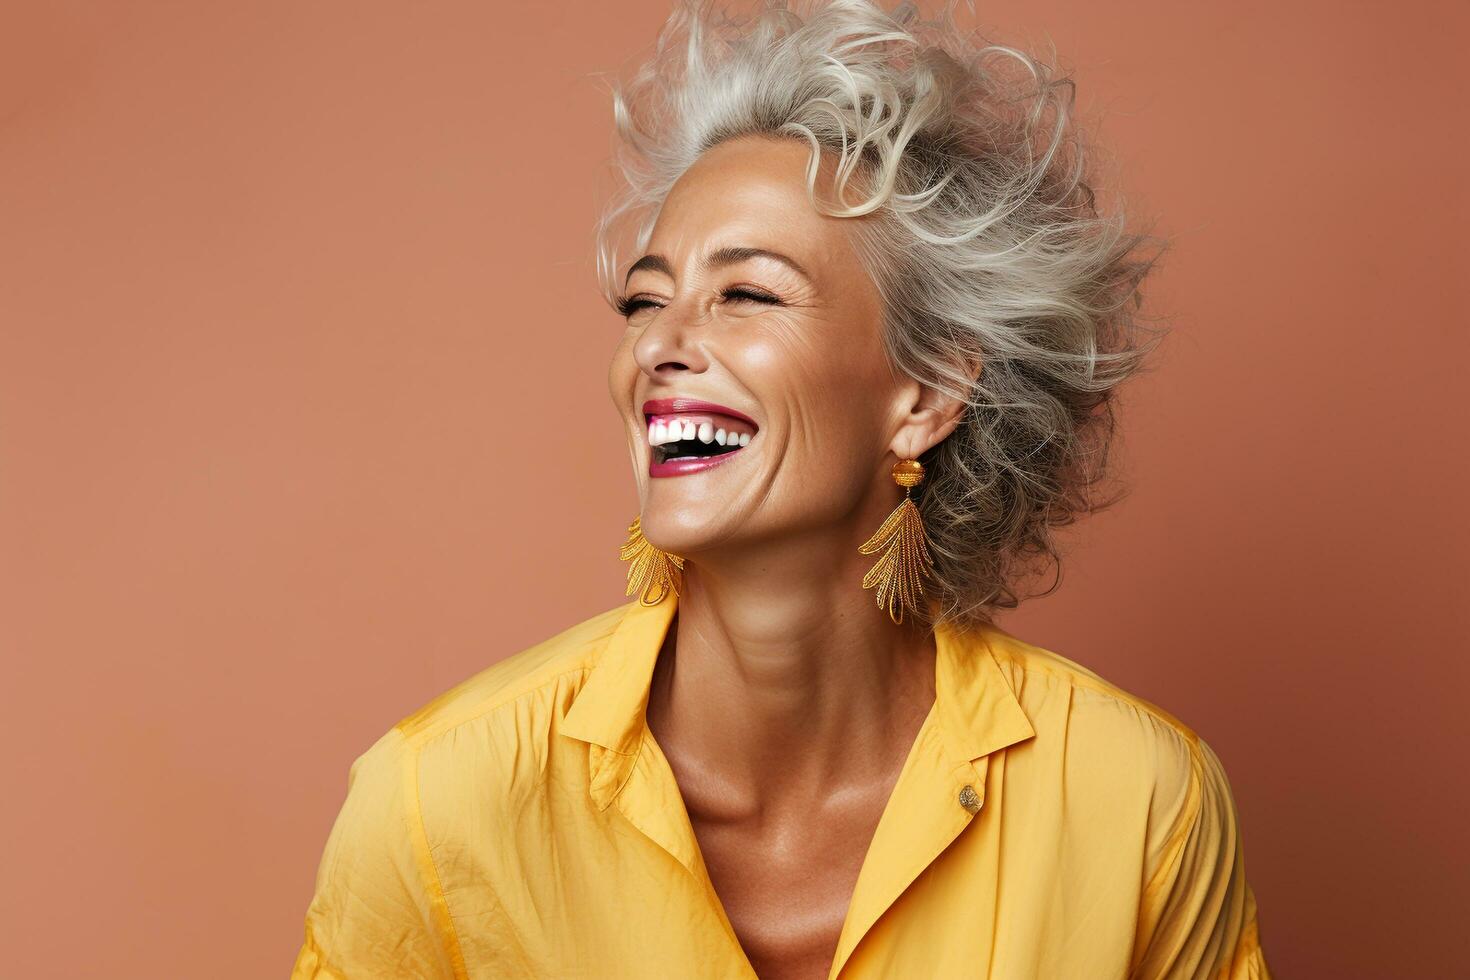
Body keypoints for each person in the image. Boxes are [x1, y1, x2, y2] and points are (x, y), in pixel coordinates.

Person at [291, 1, 1272, 977]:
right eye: (645, 299)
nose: (660, 346)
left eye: (746, 293)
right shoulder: (435, 805)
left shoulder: (1137, 802)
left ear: (927, 392)